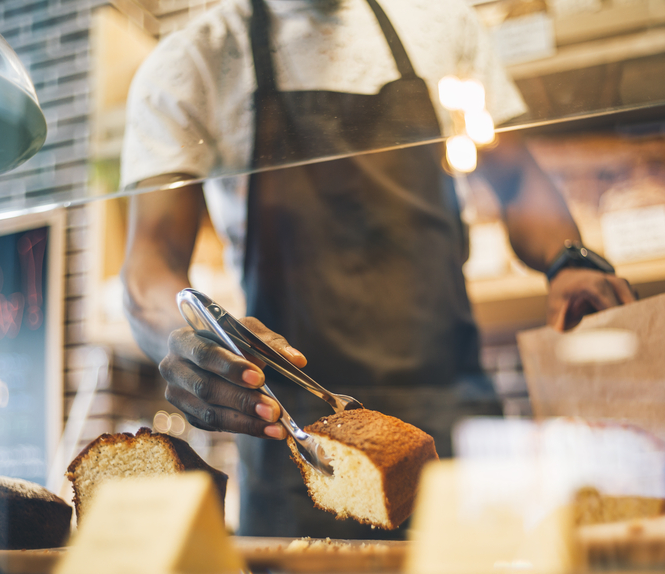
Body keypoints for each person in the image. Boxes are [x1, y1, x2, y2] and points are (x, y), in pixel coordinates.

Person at [120, 0, 634, 537]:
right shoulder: (192, 61)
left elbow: (517, 181)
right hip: (300, 448)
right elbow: (149, 266)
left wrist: (567, 260)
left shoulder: (443, 25)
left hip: (453, 423)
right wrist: (184, 336)